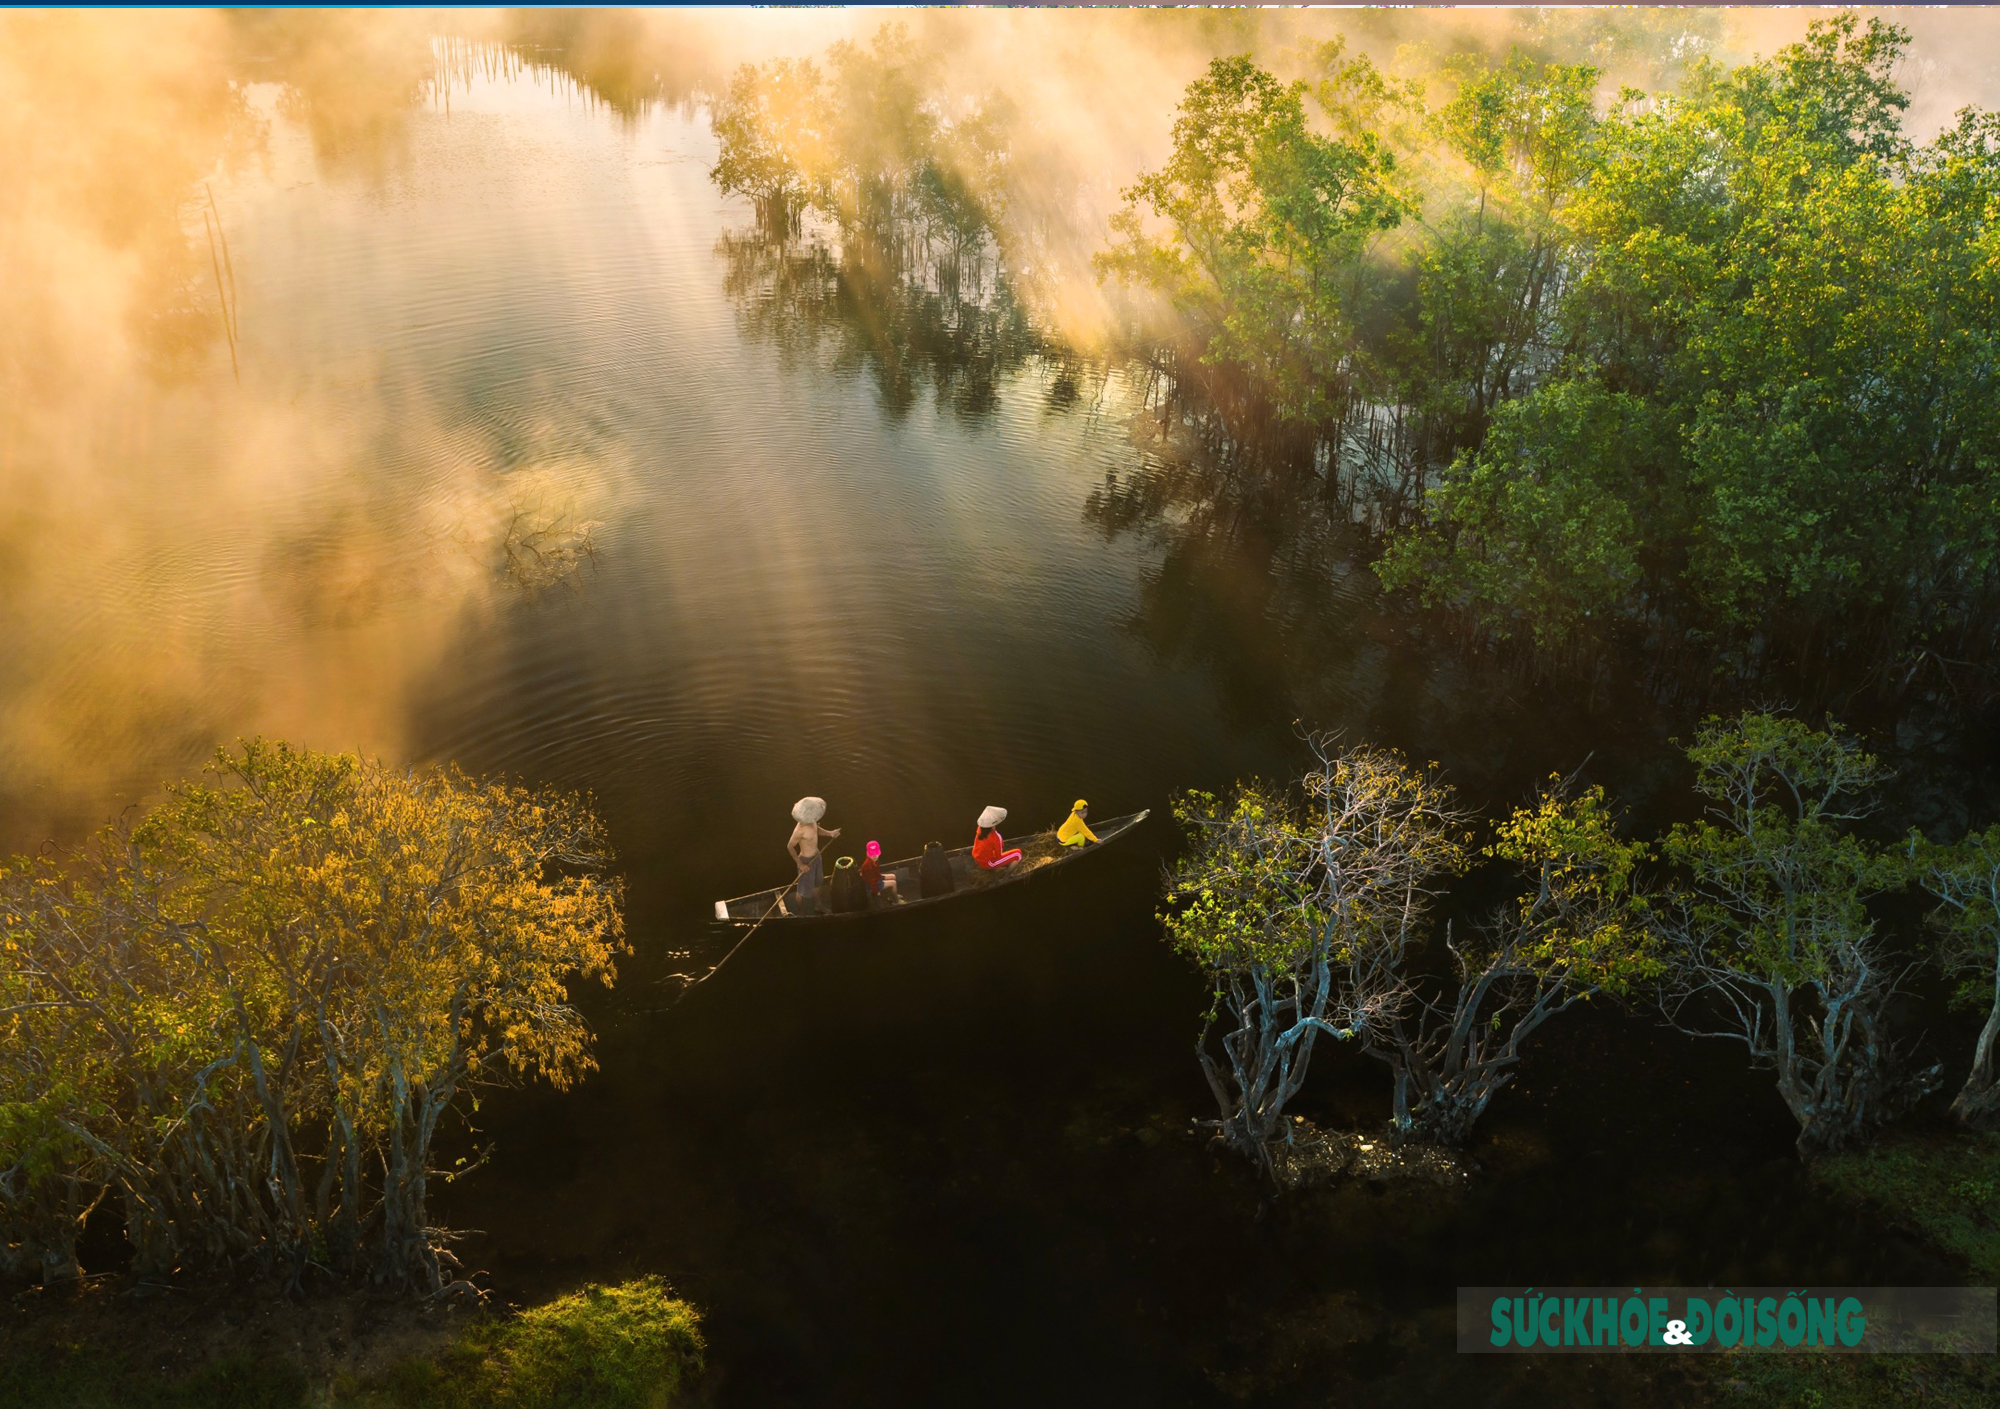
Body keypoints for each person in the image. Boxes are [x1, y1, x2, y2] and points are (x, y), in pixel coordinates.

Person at [787, 796, 840, 914]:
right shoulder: (799, 830)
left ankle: (818, 906)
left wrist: (830, 833)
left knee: (818, 883)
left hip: (817, 858)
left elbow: (817, 830)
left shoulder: (812, 819)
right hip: (806, 861)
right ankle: (799, 911)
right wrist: (800, 864)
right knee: (802, 891)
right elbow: (790, 846)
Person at [971, 805, 1022, 871]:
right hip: (987, 863)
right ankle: (1008, 874)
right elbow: (998, 856)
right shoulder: (996, 837)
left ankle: (996, 868)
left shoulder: (980, 829)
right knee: (1018, 854)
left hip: (978, 859)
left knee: (991, 849)